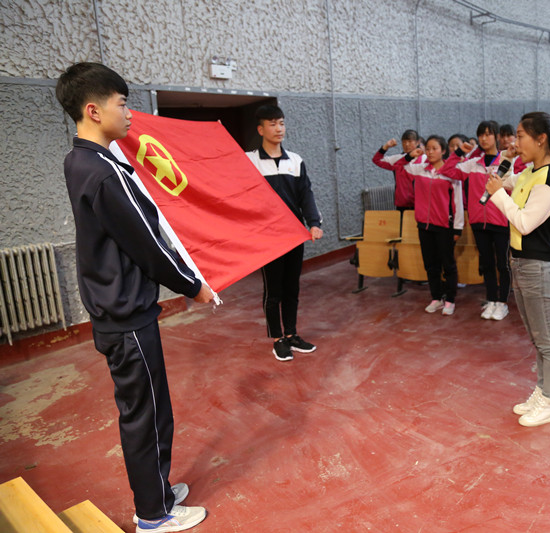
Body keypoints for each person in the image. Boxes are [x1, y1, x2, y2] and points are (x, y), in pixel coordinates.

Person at [56, 62, 212, 532]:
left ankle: (157, 490)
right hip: (126, 318)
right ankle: (153, 514)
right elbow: (146, 244)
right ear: (93, 110)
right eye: (122, 104)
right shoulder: (102, 172)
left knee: (150, 408)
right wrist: (193, 285)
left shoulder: (81, 160)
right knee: (145, 415)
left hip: (118, 310)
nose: (129, 114)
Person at [485, 111, 550, 427]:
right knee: (538, 339)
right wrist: (506, 159)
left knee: (547, 341)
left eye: (520, 136)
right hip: (520, 264)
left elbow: (523, 221)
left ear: (541, 139)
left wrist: (498, 195)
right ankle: (543, 391)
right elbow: (502, 180)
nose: (515, 141)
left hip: (538, 268)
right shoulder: (530, 172)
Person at [246, 105, 323, 362]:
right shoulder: (249, 161)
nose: (279, 129)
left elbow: (306, 195)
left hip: (294, 235)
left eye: (281, 123)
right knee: (273, 291)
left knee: (292, 288)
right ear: (261, 129)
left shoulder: (295, 161)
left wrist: (313, 222)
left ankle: (291, 334)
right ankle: (277, 339)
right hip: (268, 238)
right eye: (272, 124)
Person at [440, 121, 511, 320]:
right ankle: (492, 300)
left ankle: (503, 303)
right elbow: (447, 171)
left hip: (501, 220)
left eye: (488, 134)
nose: (484, 138)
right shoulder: (473, 163)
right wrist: (459, 153)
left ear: (496, 137)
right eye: (481, 135)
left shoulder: (506, 161)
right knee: (487, 263)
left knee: (503, 264)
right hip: (479, 220)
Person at [395, 136, 464, 315]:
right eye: (428, 149)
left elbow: (458, 201)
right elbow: (398, 166)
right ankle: (436, 297)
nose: (430, 152)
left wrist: (458, 227)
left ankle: (450, 300)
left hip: (444, 225)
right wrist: (410, 155)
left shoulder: (452, 172)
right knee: (430, 264)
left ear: (443, 151)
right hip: (424, 226)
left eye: (435, 148)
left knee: (448, 264)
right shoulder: (419, 169)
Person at [372, 129, 426, 211]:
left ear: (417, 142)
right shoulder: (397, 159)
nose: (406, 144)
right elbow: (376, 160)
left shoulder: (425, 159)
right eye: (404, 142)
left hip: (421, 205)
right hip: (402, 205)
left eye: (410, 141)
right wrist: (386, 146)